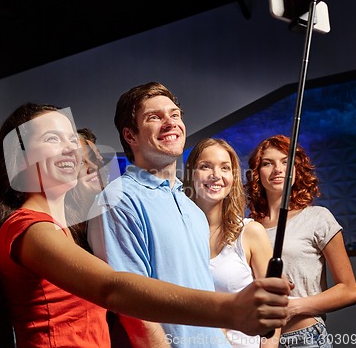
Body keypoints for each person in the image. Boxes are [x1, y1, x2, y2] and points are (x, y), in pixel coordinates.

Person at [0, 102, 290, 348]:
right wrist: (230, 309)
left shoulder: (62, 230)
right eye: (52, 138)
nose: (70, 149)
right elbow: (112, 287)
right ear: (18, 159)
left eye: (71, 139)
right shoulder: (29, 228)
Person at [86, 82, 287, 348]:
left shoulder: (190, 206)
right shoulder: (119, 199)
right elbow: (134, 311)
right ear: (131, 136)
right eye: (154, 117)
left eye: (175, 115)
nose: (170, 123)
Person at [244, 134, 356, 348]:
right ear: (257, 173)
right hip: (258, 341)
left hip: (305, 339)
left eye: (286, 162)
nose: (278, 169)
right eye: (268, 163)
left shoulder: (317, 217)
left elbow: (349, 290)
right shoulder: (249, 227)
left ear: (297, 169)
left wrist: (292, 307)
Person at [183, 138, 278, 348]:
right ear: (190, 175)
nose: (216, 175)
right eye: (205, 166)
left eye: (225, 168)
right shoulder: (178, 237)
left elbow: (273, 307)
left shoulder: (251, 232)